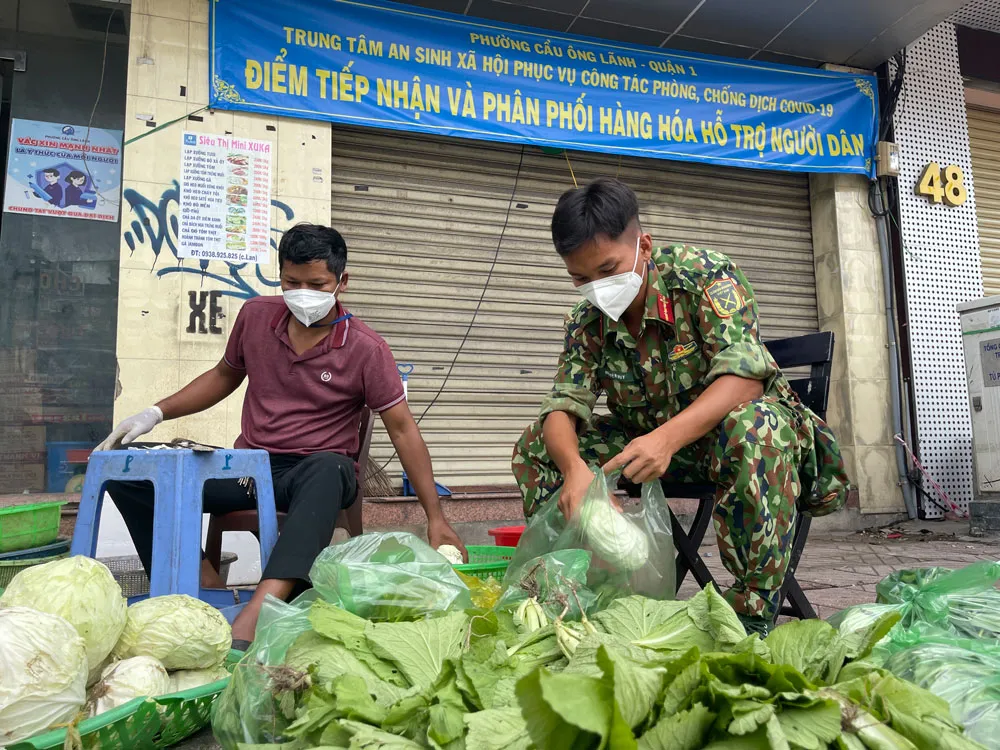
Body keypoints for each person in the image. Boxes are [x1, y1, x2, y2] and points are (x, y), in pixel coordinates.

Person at [97, 223, 467, 646]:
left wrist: (436, 518)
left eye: (317, 284)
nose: (303, 293)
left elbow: (403, 430)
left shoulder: (367, 348)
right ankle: (202, 582)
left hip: (313, 475)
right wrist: (154, 413)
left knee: (330, 469)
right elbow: (223, 376)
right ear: (280, 276)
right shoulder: (256, 317)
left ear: (341, 282)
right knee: (131, 472)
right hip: (247, 469)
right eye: (292, 282)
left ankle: (258, 610)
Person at [511, 178, 850, 635]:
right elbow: (561, 407)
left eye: (608, 269)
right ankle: (585, 591)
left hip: (742, 441)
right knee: (537, 445)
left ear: (644, 246)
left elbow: (744, 379)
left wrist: (664, 439)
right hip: (655, 446)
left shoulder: (704, 276)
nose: (597, 287)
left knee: (754, 424)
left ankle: (750, 616)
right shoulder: (586, 320)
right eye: (580, 278)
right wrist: (575, 469)